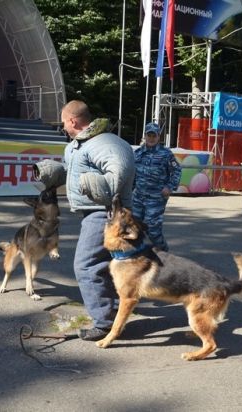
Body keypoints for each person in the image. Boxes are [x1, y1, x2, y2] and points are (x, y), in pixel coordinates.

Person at [38, 100, 135, 341]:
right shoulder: (78, 145)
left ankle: (104, 323)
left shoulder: (104, 143)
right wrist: (54, 174)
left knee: (87, 265)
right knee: (107, 265)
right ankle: (113, 313)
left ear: (73, 121)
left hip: (106, 212)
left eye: (64, 122)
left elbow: (118, 170)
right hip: (94, 212)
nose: (63, 127)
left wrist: (104, 187)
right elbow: (75, 172)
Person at [133, 122, 182, 251]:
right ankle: (140, 254)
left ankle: (164, 253)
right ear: (145, 135)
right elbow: (132, 174)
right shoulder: (137, 153)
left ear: (158, 137)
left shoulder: (166, 154)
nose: (151, 138)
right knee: (134, 227)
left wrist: (169, 187)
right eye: (149, 135)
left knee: (152, 229)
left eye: (154, 135)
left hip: (156, 198)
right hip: (138, 197)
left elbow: (177, 170)